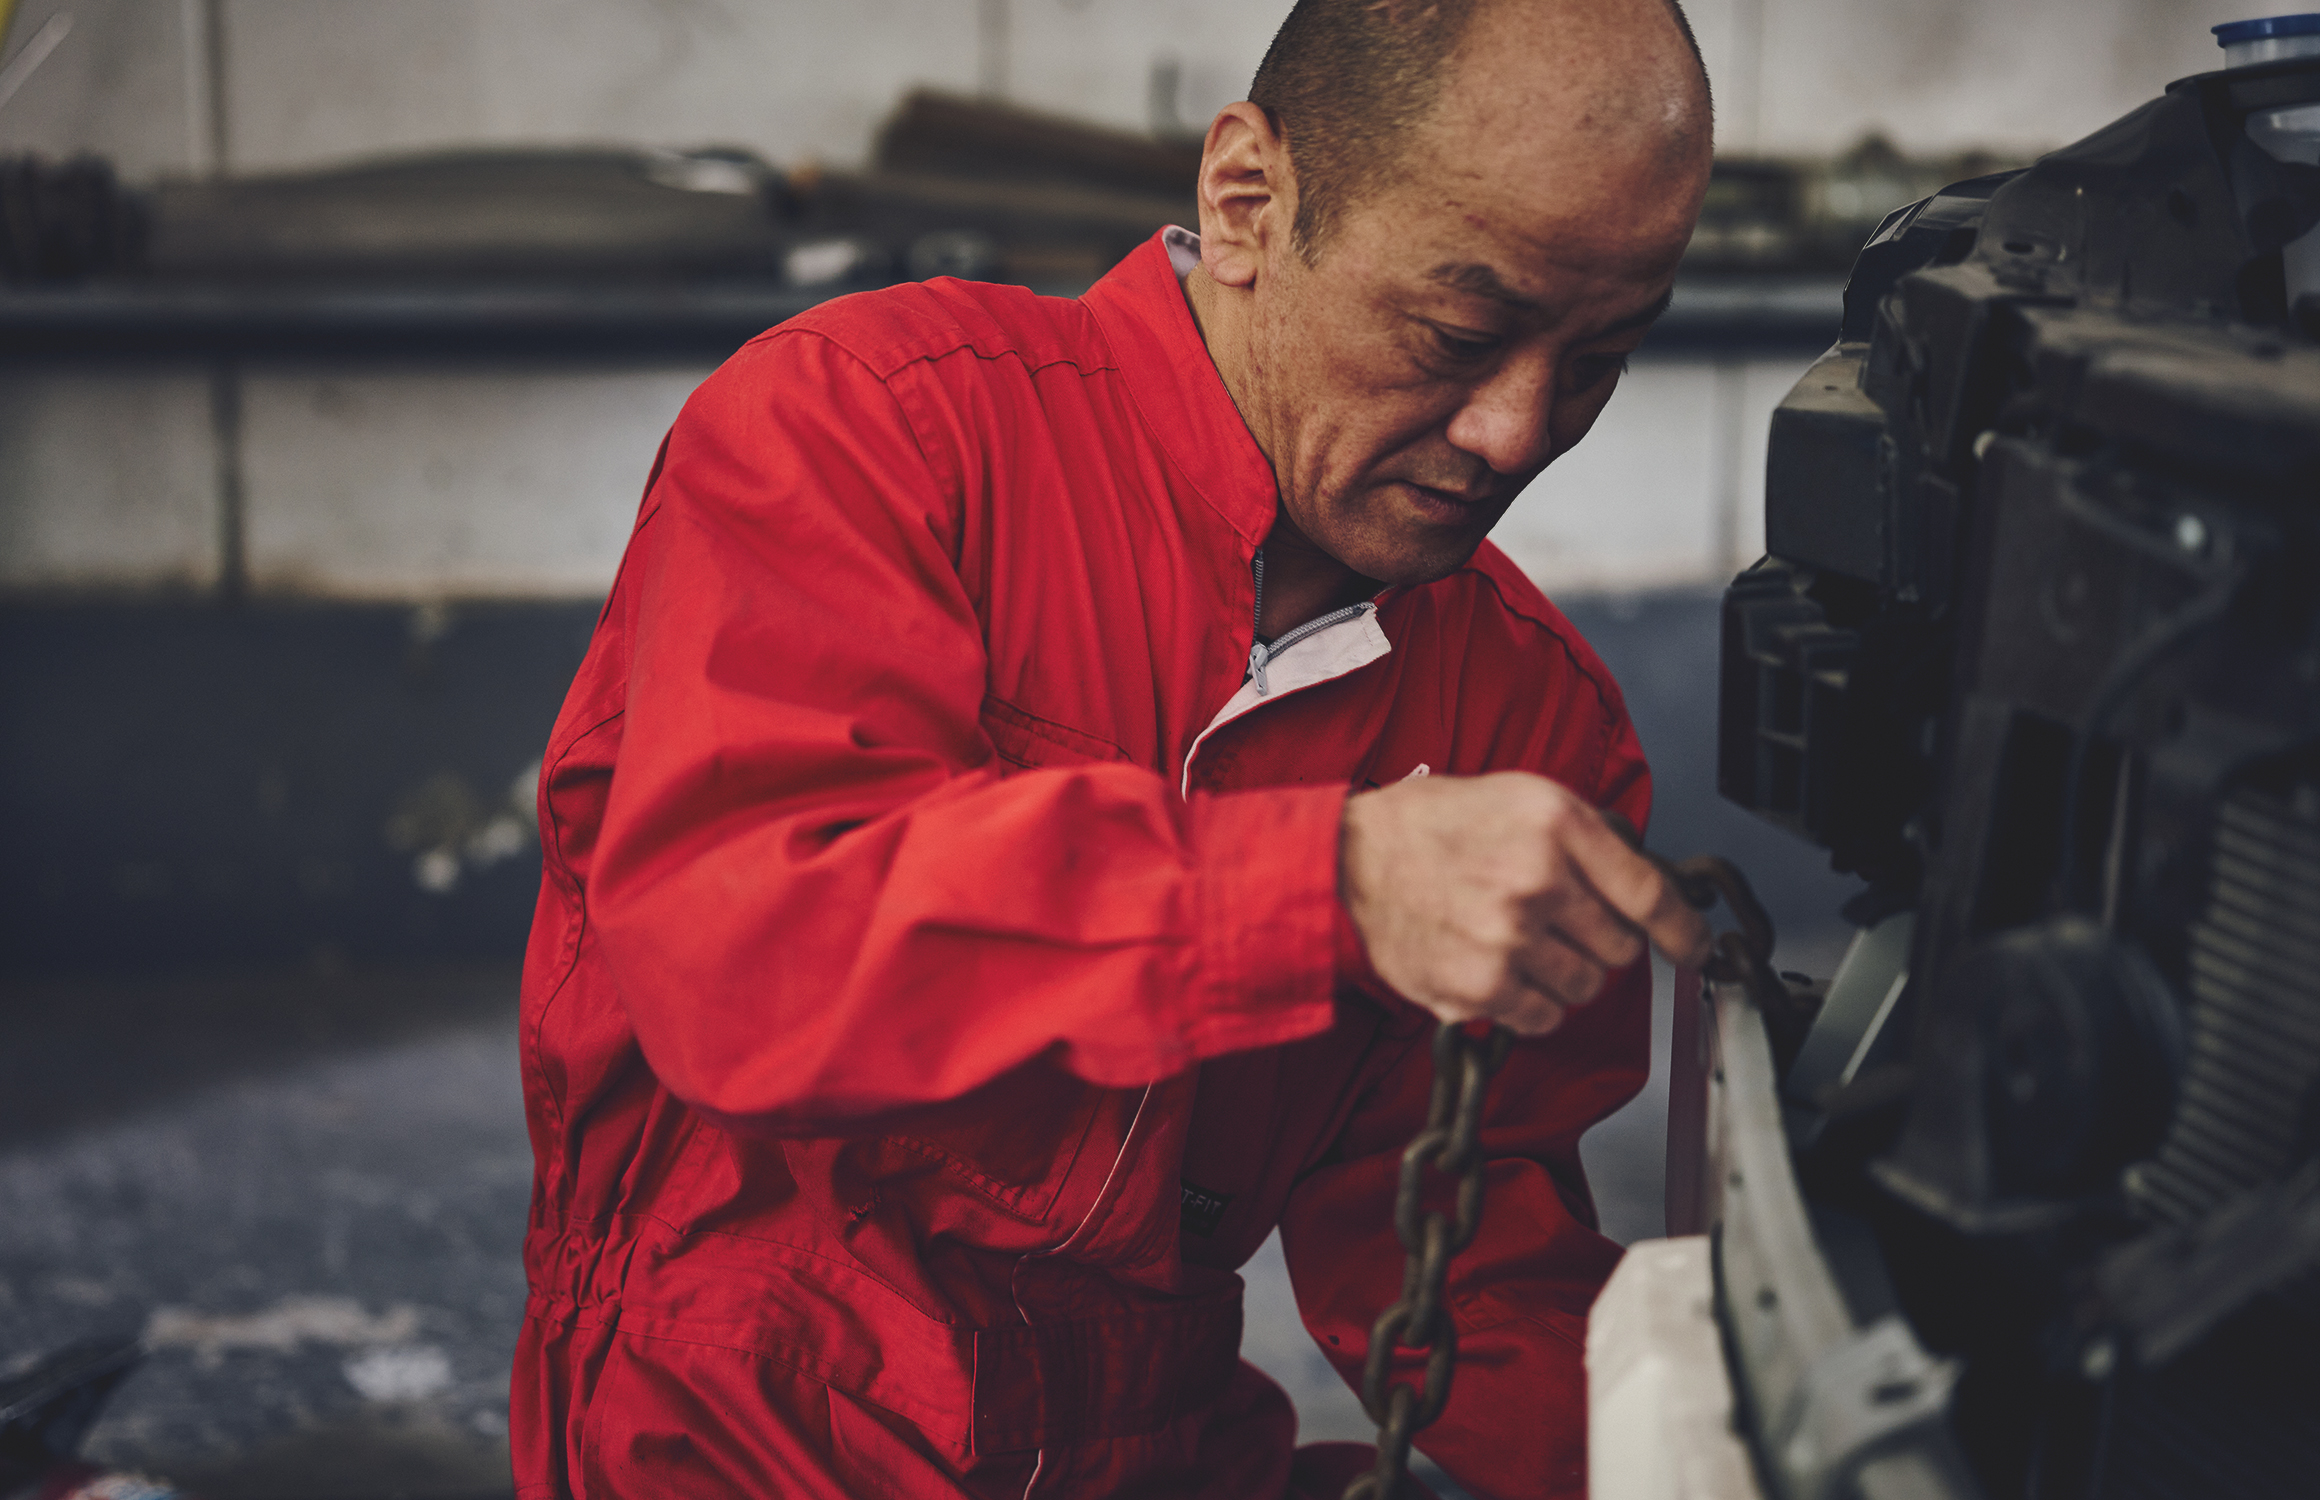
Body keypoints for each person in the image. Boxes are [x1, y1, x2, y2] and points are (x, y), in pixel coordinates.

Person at [510, 0, 1715, 1494]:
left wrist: (1702, 1452)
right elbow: (751, 951)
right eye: (1461, 334)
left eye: (1599, 361)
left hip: (1145, 1447)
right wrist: (1321, 890)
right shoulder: (871, 433)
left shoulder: (1530, 720)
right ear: (1249, 203)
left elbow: (1461, 1266)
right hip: (736, 1432)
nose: (1516, 433)